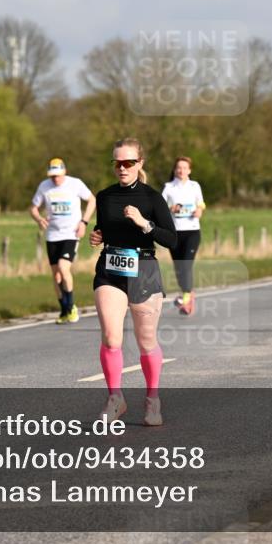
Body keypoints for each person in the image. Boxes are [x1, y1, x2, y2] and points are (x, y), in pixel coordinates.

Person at [89, 138, 177, 425]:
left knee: (146, 340)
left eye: (128, 163)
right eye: (117, 163)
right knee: (111, 338)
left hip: (144, 270)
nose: (122, 168)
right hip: (110, 269)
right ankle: (115, 398)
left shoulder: (152, 198)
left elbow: (171, 239)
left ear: (140, 164)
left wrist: (144, 224)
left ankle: (153, 399)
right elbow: (103, 228)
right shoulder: (104, 197)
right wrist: (97, 236)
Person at [30, 158, 96, 324]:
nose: (55, 179)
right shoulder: (44, 186)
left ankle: (72, 306)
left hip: (71, 233)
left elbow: (92, 200)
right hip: (52, 235)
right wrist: (38, 219)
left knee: (63, 267)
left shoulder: (75, 184)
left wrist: (84, 222)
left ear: (64, 172)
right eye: (52, 176)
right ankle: (63, 309)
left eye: (58, 175)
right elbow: (33, 208)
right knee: (56, 275)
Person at [162, 156, 206, 315]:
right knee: (179, 268)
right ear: (175, 170)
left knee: (186, 264)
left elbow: (201, 203)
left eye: (185, 168)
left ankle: (185, 296)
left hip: (192, 231)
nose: (181, 171)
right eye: (179, 168)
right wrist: (170, 209)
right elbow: (160, 208)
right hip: (174, 233)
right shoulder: (168, 187)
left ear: (189, 170)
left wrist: (199, 210)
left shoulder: (195, 186)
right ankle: (187, 297)